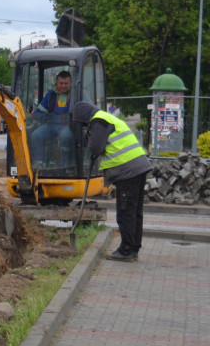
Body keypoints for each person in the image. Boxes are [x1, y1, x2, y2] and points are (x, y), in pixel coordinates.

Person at [72, 101, 152, 262]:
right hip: (138, 167)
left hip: (127, 171)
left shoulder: (98, 120)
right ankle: (134, 247)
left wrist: (89, 142)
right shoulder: (107, 117)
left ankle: (126, 250)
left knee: (125, 211)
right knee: (135, 211)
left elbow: (95, 147)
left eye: (82, 124)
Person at [31, 70, 74, 167]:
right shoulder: (51, 95)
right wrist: (33, 114)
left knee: (65, 136)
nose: (63, 86)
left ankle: (64, 165)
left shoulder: (76, 94)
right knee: (36, 135)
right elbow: (40, 111)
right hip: (51, 126)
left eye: (66, 83)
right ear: (56, 83)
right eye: (61, 83)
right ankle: (39, 163)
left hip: (68, 126)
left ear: (71, 82)